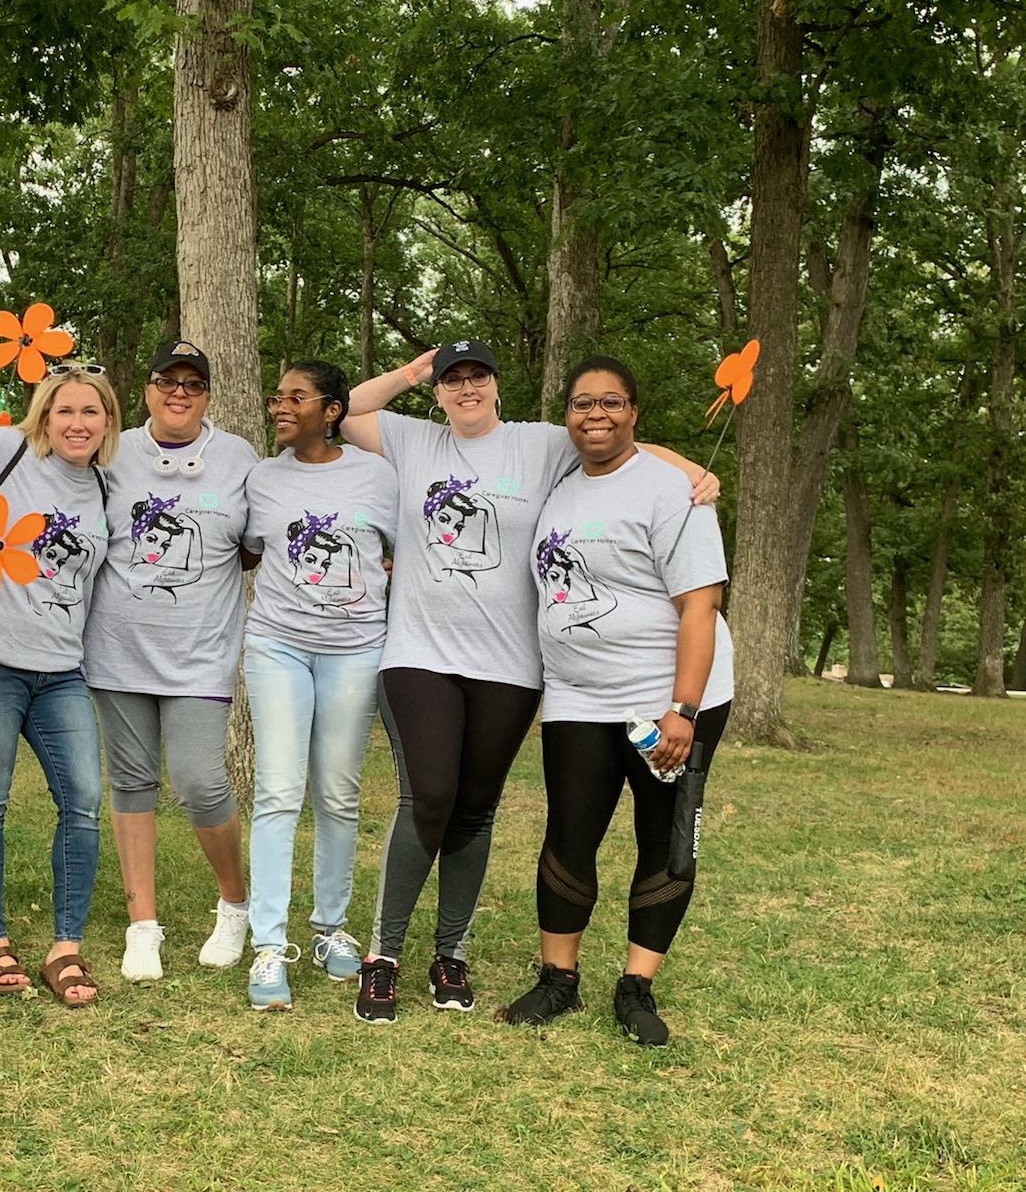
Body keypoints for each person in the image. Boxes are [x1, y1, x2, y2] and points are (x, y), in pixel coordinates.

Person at [338, 340, 719, 1024]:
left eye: (477, 374)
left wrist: (692, 468)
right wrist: (411, 371)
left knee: (479, 807)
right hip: (430, 654)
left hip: (513, 666)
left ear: (498, 383)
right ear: (438, 391)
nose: (466, 387)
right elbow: (350, 412)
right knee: (431, 796)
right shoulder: (416, 439)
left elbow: (614, 444)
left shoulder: (541, 445)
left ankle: (456, 953)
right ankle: (385, 955)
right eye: (453, 379)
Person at [500, 356, 732, 1047]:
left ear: (635, 411)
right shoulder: (561, 479)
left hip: (667, 700)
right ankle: (557, 981)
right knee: (570, 834)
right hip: (576, 694)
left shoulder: (671, 493)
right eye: (582, 403)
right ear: (565, 413)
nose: (595, 415)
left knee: (662, 837)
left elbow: (700, 607)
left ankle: (636, 986)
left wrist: (682, 711)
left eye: (612, 403)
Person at [81, 342, 260, 983]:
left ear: (208, 394)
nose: (179, 392)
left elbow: (258, 542)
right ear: (148, 388)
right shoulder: (114, 448)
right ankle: (143, 926)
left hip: (199, 655)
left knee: (198, 780)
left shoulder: (237, 457)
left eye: (193, 383)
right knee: (131, 783)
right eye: (166, 380)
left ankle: (236, 905)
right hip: (116, 649)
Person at [0, 366, 118, 1007]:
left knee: (83, 799)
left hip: (62, 671)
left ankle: (65, 947)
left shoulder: (105, 484)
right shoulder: (4, 451)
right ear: (43, 417)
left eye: (91, 413)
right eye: (65, 411)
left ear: (107, 422)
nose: (77, 424)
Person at [239, 361, 398, 1010]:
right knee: (278, 791)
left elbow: (405, 550)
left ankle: (331, 929)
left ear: (332, 411)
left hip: (356, 652)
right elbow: (250, 549)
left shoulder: (378, 476)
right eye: (277, 396)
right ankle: (268, 947)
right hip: (276, 646)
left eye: (296, 398)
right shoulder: (262, 478)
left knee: (337, 793)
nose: (281, 406)